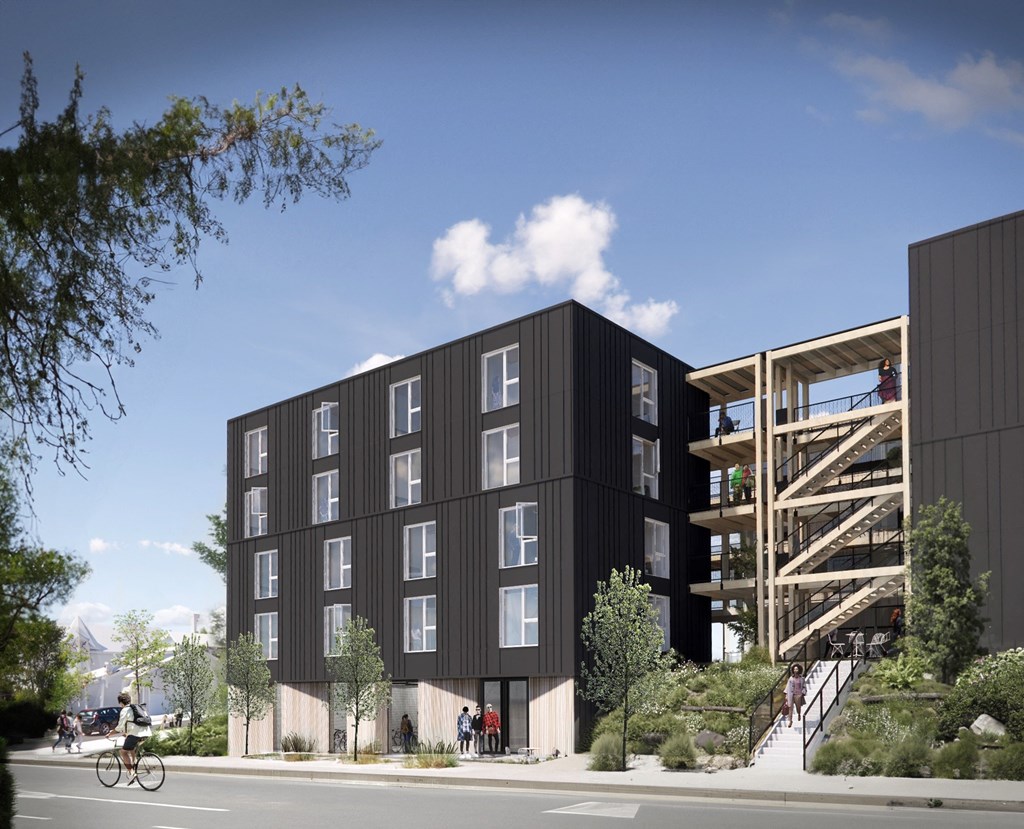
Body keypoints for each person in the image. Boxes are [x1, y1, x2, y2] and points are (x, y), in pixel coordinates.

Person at [113, 691, 152, 786]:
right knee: (131, 747)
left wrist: (110, 733)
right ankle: (134, 764)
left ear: (121, 703)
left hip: (135, 734)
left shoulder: (125, 710)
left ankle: (132, 772)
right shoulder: (137, 708)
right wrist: (126, 733)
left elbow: (119, 726)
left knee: (123, 752)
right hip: (146, 732)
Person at [785, 664, 806, 728]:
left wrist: (803, 692)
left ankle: (799, 714)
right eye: (794, 669)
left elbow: (804, 687)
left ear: (799, 670)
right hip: (791, 694)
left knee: (798, 707)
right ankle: (790, 721)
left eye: (796, 669)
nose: (795, 670)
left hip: (798, 694)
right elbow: (788, 687)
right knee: (790, 708)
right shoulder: (791, 678)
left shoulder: (802, 678)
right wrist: (786, 694)